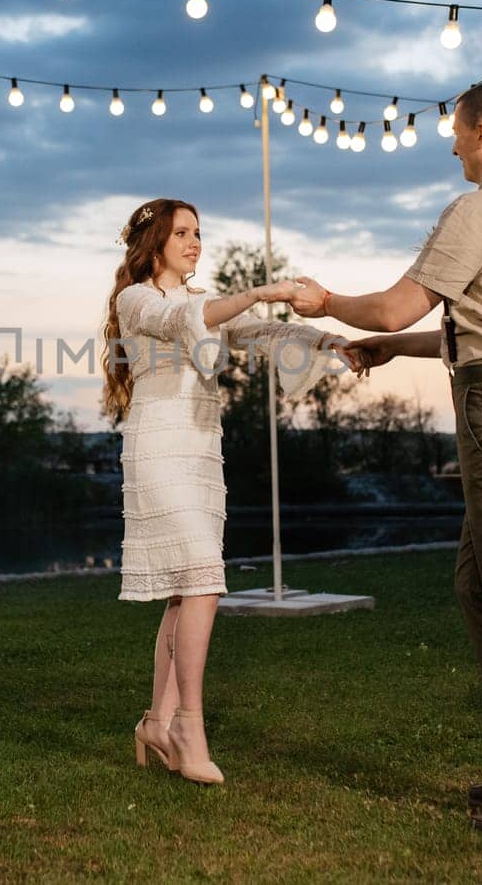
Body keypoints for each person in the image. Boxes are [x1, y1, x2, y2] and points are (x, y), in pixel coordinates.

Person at [289, 79, 482, 833]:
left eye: (457, 133)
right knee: (477, 585)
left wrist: (325, 301)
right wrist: (395, 349)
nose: (453, 145)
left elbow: (398, 302)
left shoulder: (479, 209)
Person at [101, 197, 350, 786]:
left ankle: (155, 723)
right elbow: (189, 321)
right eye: (181, 233)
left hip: (201, 452)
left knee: (187, 588)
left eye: (198, 232)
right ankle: (189, 725)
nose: (194, 242)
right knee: (206, 579)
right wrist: (264, 289)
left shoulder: (201, 301)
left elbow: (262, 331)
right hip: (158, 448)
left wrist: (332, 345)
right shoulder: (136, 300)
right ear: (153, 242)